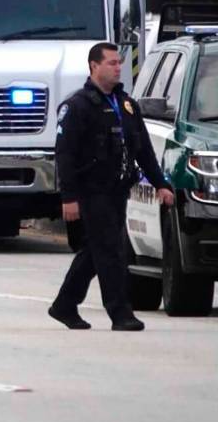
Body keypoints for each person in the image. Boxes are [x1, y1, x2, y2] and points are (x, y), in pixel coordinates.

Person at [50, 42, 174, 331]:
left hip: (117, 190)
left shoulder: (126, 105)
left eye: (119, 62)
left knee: (95, 251)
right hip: (91, 191)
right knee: (111, 251)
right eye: (112, 63)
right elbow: (64, 155)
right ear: (94, 66)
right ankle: (120, 313)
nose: (118, 67)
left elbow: (143, 150)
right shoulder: (77, 106)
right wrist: (69, 198)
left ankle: (65, 305)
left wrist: (161, 184)